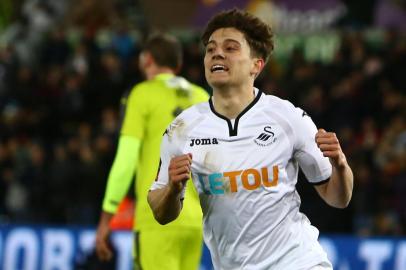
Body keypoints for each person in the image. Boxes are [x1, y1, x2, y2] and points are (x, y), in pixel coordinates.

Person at [147, 9, 354, 270]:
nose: (217, 54)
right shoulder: (182, 129)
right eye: (210, 49)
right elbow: (159, 212)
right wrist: (173, 190)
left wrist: (340, 164)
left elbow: (338, 198)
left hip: (298, 261)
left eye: (230, 48)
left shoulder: (288, 118)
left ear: (257, 64)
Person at [95, 34, 208, 270]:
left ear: (146, 60)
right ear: (177, 65)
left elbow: (125, 159)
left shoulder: (141, 94)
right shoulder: (202, 97)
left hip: (156, 215)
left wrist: (107, 217)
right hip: (195, 221)